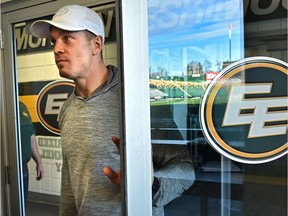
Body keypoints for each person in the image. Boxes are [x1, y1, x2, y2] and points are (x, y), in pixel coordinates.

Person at [30, 4, 194, 216]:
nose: (56, 49)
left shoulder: (137, 100)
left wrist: (147, 185)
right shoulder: (67, 108)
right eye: (54, 41)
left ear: (96, 44)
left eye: (67, 38)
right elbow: (70, 182)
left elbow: (185, 170)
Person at [19, 101, 44, 209]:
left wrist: (39, 162)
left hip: (22, 169)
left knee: (21, 206)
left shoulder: (20, 106)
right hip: (5, 170)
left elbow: (30, 135)